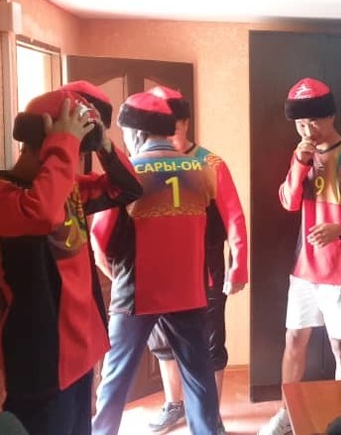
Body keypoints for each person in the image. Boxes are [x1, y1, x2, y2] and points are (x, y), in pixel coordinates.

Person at [0, 88, 141, 434]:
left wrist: (104, 145)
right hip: (42, 361)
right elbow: (41, 214)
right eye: (72, 150)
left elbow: (127, 189)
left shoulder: (67, 188)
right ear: (48, 145)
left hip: (82, 353)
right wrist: (63, 145)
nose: (74, 160)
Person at [91, 92, 224, 435]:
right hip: (189, 292)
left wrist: (118, 278)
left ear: (136, 133)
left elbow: (100, 241)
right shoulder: (203, 170)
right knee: (199, 378)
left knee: (115, 378)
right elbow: (213, 233)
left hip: (137, 292)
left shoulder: (128, 173)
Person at [259, 78, 341, 435]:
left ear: (331, 115)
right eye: (300, 124)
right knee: (294, 339)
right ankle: (286, 414)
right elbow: (288, 200)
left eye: (313, 121)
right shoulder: (302, 155)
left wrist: (340, 228)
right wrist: (299, 162)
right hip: (304, 269)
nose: (307, 130)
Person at [139, 85, 249, 432]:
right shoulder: (142, 164)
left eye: (171, 123)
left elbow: (234, 218)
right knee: (163, 345)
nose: (165, 131)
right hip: (159, 274)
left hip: (205, 273)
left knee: (210, 345)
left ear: (185, 122)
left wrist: (239, 264)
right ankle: (174, 405)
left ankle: (210, 414)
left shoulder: (210, 164)